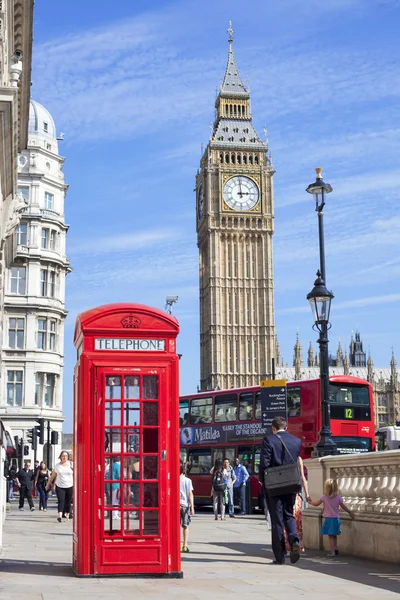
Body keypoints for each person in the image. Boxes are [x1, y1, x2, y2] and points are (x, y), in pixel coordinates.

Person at [259, 416, 302, 565]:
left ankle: (280, 556)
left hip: (274, 485)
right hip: (291, 483)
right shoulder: (296, 441)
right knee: (289, 515)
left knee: (277, 521)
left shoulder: (269, 440)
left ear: (273, 428)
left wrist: (262, 481)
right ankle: (294, 540)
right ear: (287, 427)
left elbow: (264, 464)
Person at [307, 478, 355, 557]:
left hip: (329, 519)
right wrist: (350, 512)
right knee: (334, 535)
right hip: (336, 519)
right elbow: (343, 507)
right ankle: (335, 549)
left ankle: (332, 551)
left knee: (330, 536)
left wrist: (309, 502)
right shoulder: (338, 497)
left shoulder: (324, 497)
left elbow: (316, 504)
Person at [284, 457, 308, 553]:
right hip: (296, 497)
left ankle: (287, 545)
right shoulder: (298, 459)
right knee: (296, 522)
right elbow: (302, 477)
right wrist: (307, 494)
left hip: (285, 495)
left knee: (286, 521)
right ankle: (297, 543)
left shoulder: (282, 457)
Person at [46, 450, 73, 522]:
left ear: (68, 457)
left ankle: (67, 513)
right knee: (61, 500)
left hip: (70, 485)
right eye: (63, 456)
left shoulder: (71, 464)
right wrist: (48, 484)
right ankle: (60, 515)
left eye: (66, 456)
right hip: (60, 485)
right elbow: (52, 476)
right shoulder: (57, 466)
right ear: (60, 457)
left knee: (68, 501)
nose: (64, 457)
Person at [180, 463, 194, 552]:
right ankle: (184, 545)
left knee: (175, 526)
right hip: (185, 505)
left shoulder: (174, 479)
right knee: (185, 525)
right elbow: (190, 493)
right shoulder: (188, 480)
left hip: (176, 505)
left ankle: (176, 544)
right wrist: (192, 506)